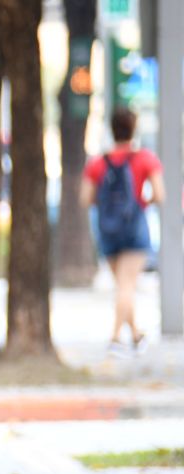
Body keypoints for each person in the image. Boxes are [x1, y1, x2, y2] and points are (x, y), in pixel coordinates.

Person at [82, 107, 165, 356]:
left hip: (108, 228)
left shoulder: (98, 163)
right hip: (134, 228)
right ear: (134, 128)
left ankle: (136, 335)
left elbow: (86, 198)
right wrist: (139, 204)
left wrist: (109, 207)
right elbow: (160, 194)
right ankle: (117, 339)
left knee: (122, 285)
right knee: (126, 287)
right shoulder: (145, 159)